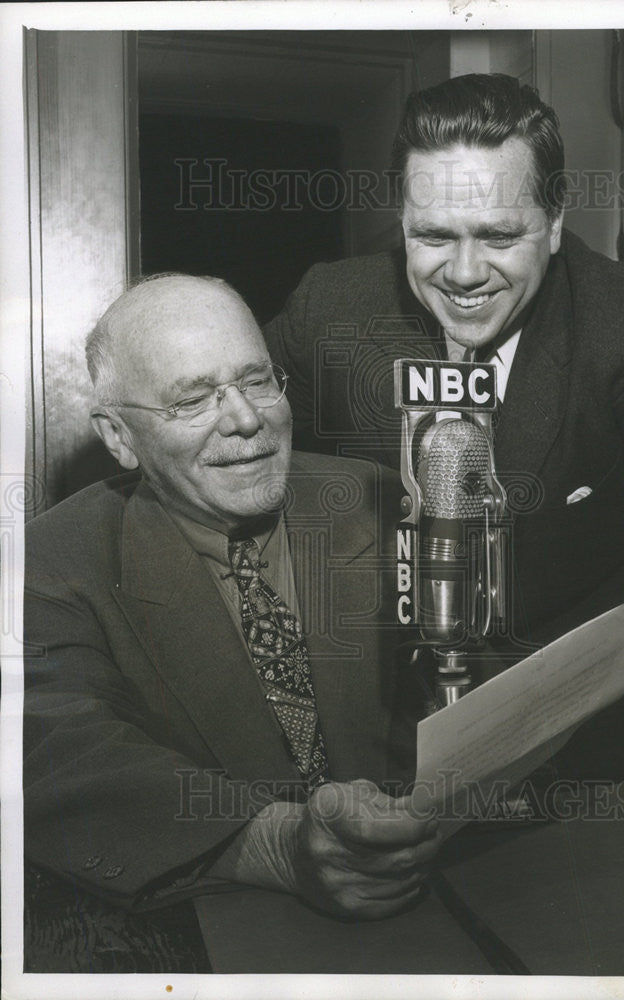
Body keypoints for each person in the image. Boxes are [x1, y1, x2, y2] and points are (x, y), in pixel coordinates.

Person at [264, 73, 624, 798]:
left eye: (498, 236)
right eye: (432, 235)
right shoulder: (329, 310)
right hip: (383, 742)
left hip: (594, 754)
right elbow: (237, 444)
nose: (464, 274)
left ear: (555, 223)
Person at [23, 273, 441, 962]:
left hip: (421, 914)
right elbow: (60, 752)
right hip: (208, 942)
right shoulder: (49, 563)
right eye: (192, 399)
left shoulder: (378, 500)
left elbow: (453, 686)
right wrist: (275, 846)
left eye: (257, 380)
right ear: (120, 437)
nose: (245, 418)